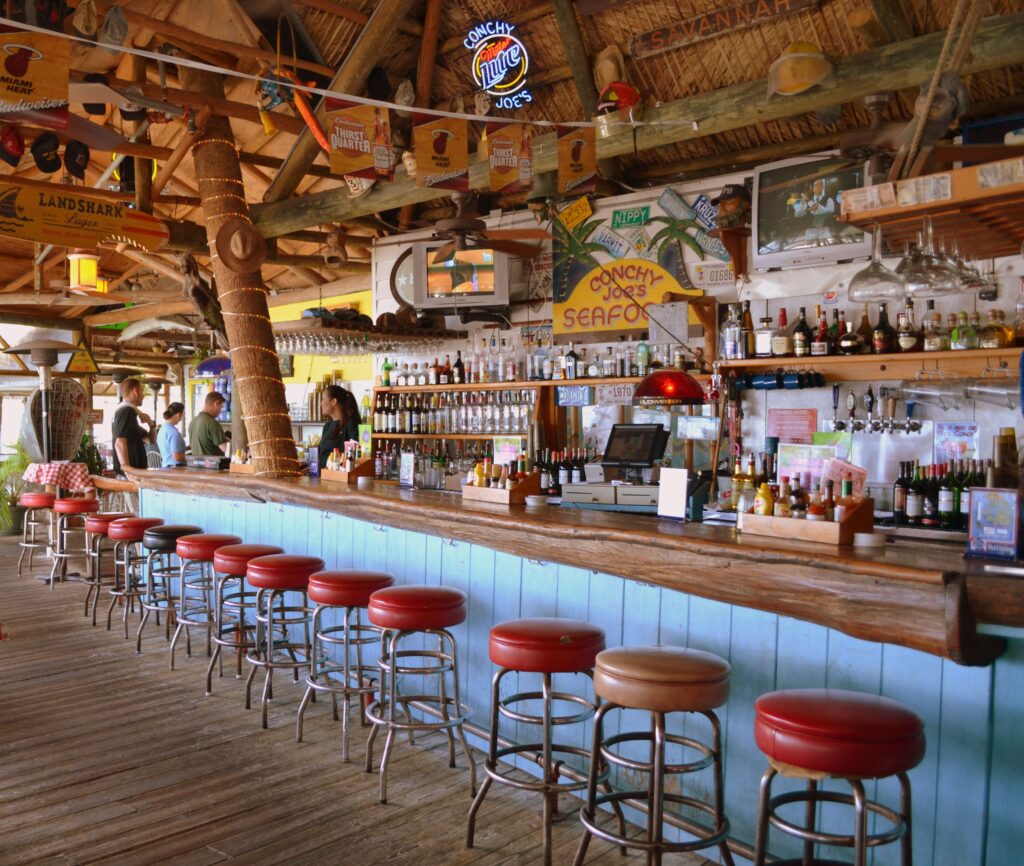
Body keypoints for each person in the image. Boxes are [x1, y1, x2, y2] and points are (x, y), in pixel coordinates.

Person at [112, 378, 155, 476]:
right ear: (136, 391)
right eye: (142, 391)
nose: (143, 395)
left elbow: (150, 440)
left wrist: (151, 424)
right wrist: (129, 472)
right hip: (130, 476)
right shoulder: (127, 411)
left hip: (134, 473)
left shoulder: (126, 412)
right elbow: (119, 443)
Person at [318, 384, 361, 466]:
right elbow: (321, 455)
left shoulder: (351, 424)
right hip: (323, 473)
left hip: (340, 473)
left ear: (334, 401)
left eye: (323, 400)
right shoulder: (327, 426)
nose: (321, 404)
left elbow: (355, 456)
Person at [188, 392, 228, 456]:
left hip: (195, 462)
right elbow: (226, 449)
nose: (220, 411)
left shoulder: (193, 422)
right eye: (221, 407)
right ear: (216, 403)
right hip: (213, 462)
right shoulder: (212, 423)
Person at [157, 402, 186, 468]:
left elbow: (168, 450)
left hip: (165, 467)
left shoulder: (162, 429)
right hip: (176, 469)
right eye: (182, 415)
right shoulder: (174, 432)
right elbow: (177, 457)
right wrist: (193, 458)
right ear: (178, 415)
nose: (181, 419)